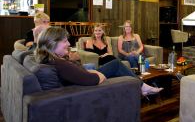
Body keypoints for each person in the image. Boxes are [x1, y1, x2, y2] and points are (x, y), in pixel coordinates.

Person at [35, 27, 163, 96]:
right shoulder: (60, 63)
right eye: (64, 41)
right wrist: (98, 74)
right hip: (89, 85)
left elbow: (79, 72)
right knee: (117, 65)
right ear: (52, 43)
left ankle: (141, 85)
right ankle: (142, 86)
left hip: (86, 75)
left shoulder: (52, 60)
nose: (68, 44)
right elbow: (92, 80)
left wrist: (87, 70)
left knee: (116, 64)